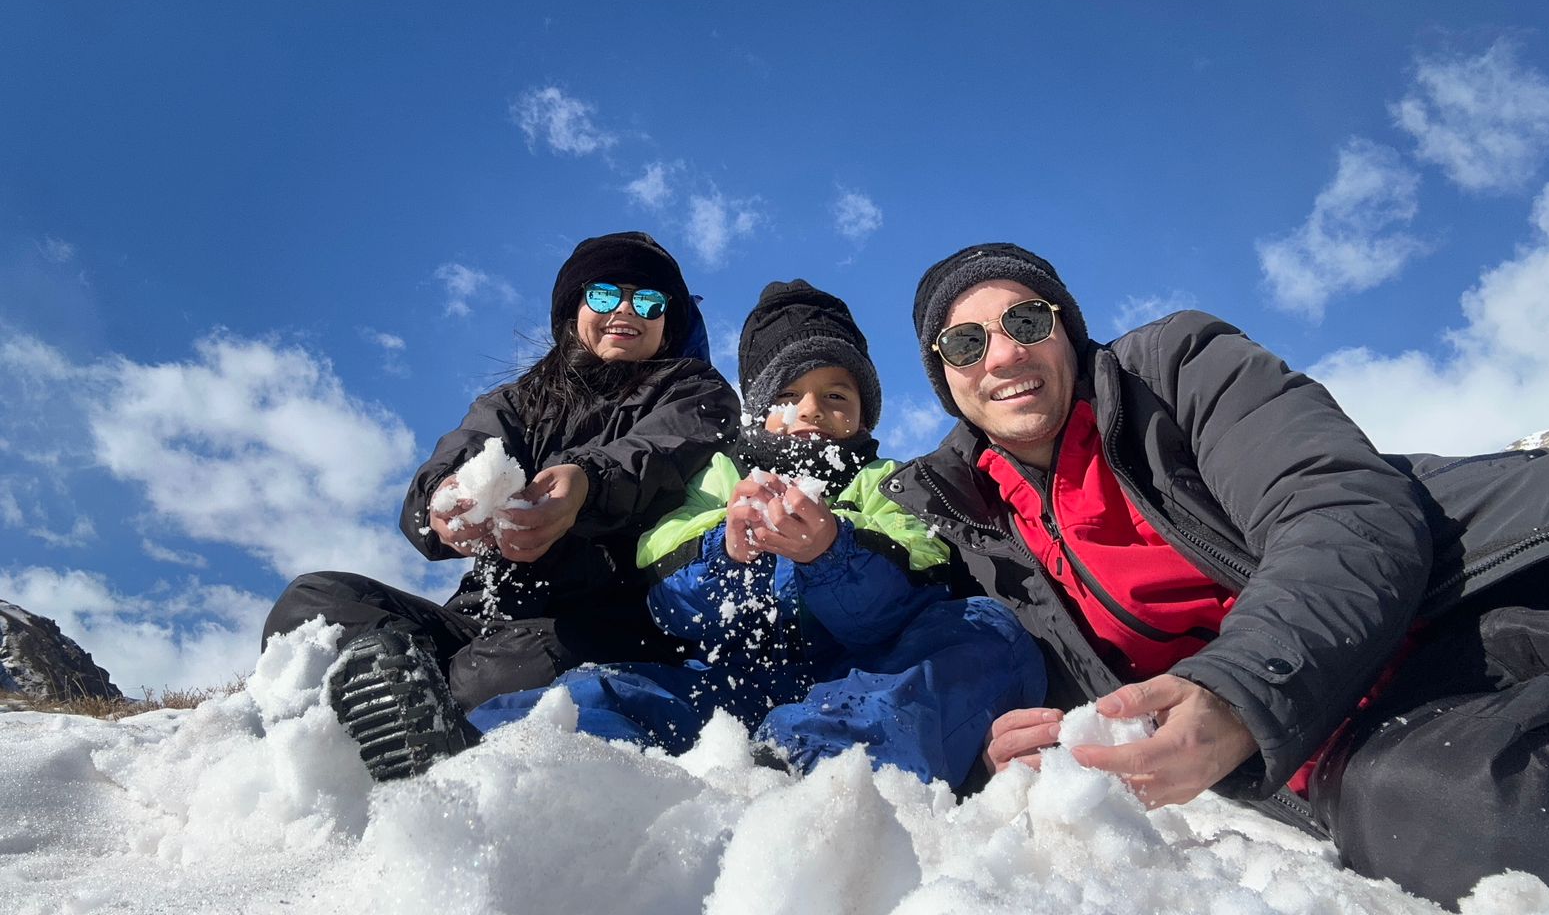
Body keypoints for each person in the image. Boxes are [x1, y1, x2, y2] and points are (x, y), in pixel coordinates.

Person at [883, 241, 1549, 906]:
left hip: (1496, 590)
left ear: (1066, 330)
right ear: (944, 377)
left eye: (1027, 320)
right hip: (1370, 747)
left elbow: (1339, 506)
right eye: (966, 343)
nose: (1004, 354)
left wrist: (1238, 695)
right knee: (1442, 810)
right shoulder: (967, 528)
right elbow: (966, 676)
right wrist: (995, 755)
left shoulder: (1173, 370)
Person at [470, 280, 1047, 787]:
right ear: (758, 411)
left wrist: (832, 553)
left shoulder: (890, 481)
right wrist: (727, 552)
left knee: (987, 631)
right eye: (787, 396)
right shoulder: (719, 475)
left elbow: (914, 584)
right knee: (588, 696)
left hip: (856, 685)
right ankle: (502, 764)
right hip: (721, 690)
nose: (810, 411)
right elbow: (666, 591)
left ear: (864, 414)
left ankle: (808, 772)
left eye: (836, 396)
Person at [262, 231, 738, 780]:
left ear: (668, 323)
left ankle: (411, 751)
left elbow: (655, 455)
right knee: (312, 603)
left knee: (487, 678)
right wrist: (444, 504)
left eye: (650, 301)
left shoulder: (698, 392)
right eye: (606, 294)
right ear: (573, 310)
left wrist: (584, 484)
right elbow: (466, 450)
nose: (627, 310)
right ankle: (379, 709)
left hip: (602, 620)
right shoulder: (518, 401)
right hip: (481, 615)